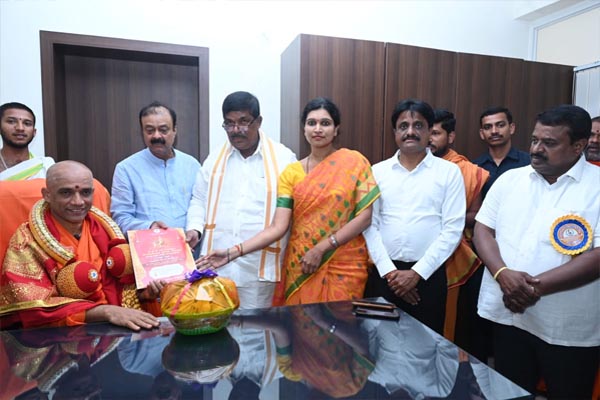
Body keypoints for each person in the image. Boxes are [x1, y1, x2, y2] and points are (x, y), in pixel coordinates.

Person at [198, 97, 379, 306]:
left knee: (340, 322)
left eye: (325, 123)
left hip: (343, 264)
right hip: (302, 264)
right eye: (311, 123)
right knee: (302, 322)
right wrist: (232, 253)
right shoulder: (291, 173)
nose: (318, 129)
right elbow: (278, 226)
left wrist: (321, 248)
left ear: (336, 129)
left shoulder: (355, 162)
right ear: (304, 129)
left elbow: (365, 218)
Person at [473, 104, 599, 399]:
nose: (536, 149)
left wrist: (531, 288)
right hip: (509, 318)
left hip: (567, 327)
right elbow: (483, 229)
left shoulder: (596, 187)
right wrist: (503, 275)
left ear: (578, 146)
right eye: (534, 140)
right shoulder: (511, 180)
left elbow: (597, 256)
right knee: (509, 394)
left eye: (549, 143)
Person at [0, 161, 162, 330]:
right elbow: (36, 309)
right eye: (66, 193)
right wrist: (104, 312)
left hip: (117, 331)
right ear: (47, 194)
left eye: (85, 192)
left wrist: (143, 295)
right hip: (64, 337)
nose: (78, 202)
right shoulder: (27, 241)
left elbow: (120, 290)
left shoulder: (104, 231)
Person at [363, 99, 465, 335]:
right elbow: (370, 225)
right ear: (395, 132)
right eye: (403, 126)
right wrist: (390, 273)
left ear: (429, 131)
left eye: (418, 125)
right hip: (383, 276)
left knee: (426, 345)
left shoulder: (449, 173)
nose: (410, 131)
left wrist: (417, 274)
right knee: (380, 344)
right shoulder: (377, 172)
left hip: (429, 276)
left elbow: (452, 229)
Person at [186, 91, 296, 308]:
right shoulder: (214, 159)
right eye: (229, 123)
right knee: (218, 324)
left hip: (259, 270)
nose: (236, 130)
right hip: (216, 267)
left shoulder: (284, 159)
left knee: (256, 328)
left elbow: (290, 215)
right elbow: (199, 198)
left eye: (243, 122)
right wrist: (194, 229)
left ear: (259, 121)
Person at [429, 109, 490, 345]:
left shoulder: (467, 171)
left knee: (453, 319)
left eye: (436, 133)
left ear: (451, 136)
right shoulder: (414, 166)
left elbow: (477, 215)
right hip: (415, 252)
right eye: (427, 132)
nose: (429, 139)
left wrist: (445, 220)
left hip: (456, 255)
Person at [111, 101, 200, 248]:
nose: (156, 136)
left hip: (190, 251)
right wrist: (149, 226)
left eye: (163, 130)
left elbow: (201, 205)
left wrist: (195, 229)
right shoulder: (126, 169)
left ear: (175, 130)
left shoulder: (192, 165)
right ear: (142, 132)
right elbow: (120, 219)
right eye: (150, 130)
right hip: (149, 252)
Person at [473, 106, 530, 199]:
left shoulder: (528, 163)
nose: (494, 131)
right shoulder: (475, 167)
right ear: (482, 133)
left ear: (511, 128)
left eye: (500, 125)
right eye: (488, 127)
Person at [0, 102, 54, 181]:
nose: (20, 128)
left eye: (27, 123)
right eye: (11, 121)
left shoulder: (45, 167)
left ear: (34, 132)